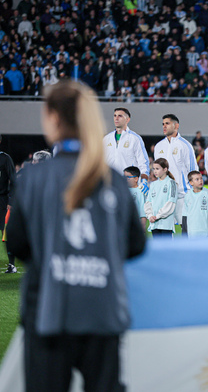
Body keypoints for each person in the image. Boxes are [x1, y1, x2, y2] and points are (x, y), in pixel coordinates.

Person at [6, 80, 146, 391]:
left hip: (48, 311)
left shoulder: (35, 178)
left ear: (54, 118)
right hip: (102, 309)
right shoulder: (112, 179)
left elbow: (16, 243)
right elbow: (136, 244)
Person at [153, 114, 197, 228]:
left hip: (182, 195)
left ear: (176, 125)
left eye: (167, 123)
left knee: (186, 228)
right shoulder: (158, 146)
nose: (164, 126)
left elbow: (193, 170)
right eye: (163, 124)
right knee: (165, 229)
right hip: (164, 196)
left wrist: (194, 193)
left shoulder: (185, 145)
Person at [103, 107, 150, 196]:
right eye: (115, 116)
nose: (116, 118)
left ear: (127, 119)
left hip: (129, 185)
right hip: (110, 185)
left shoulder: (135, 139)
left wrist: (144, 180)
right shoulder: (106, 139)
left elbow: (143, 162)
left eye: (120, 116)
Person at [144, 158, 177, 237]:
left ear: (165, 169)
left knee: (166, 248)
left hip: (166, 224)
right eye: (153, 169)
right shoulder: (153, 184)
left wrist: (158, 216)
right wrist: (150, 216)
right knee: (157, 248)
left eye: (157, 169)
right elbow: (148, 202)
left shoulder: (171, 183)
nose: (155, 171)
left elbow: (171, 203)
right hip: (154, 223)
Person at [182, 170, 208, 237]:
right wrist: (184, 232)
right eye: (197, 179)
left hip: (205, 231)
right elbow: (185, 215)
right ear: (191, 182)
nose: (200, 181)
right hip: (192, 232)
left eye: (201, 178)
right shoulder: (187, 196)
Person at [0, 134, 15, 273]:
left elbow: (13, 180)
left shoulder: (5, 158)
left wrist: (11, 199)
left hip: (2, 200)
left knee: (6, 232)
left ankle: (11, 265)